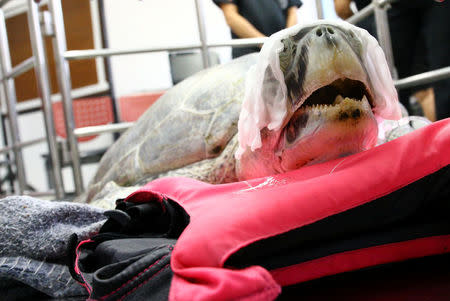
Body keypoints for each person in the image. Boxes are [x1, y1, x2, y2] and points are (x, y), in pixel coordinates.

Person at [334, 0, 449, 120]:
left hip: (383, 13)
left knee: (399, 94)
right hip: (429, 10)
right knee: (433, 86)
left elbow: (342, 8)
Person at [214, 0, 303, 58]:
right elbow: (231, 17)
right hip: (250, 56)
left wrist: (286, 44)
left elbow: (292, 12)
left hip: (284, 55)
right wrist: (269, 44)